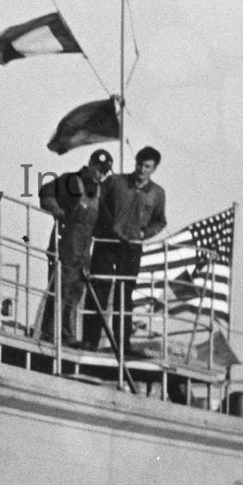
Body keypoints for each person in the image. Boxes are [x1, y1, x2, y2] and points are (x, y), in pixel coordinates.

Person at [91, 146, 169, 365]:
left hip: (132, 248)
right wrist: (103, 227)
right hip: (107, 243)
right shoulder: (116, 182)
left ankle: (122, 344)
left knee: (125, 295)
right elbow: (97, 199)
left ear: (154, 169)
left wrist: (145, 233)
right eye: (139, 164)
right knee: (99, 289)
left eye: (147, 167)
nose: (141, 170)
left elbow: (160, 220)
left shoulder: (157, 193)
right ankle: (90, 340)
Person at [36, 148, 110, 347]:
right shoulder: (72, 181)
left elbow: (103, 221)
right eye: (98, 169)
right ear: (91, 164)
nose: (100, 174)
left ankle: (67, 334)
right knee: (59, 287)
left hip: (83, 251)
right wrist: (57, 210)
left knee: (76, 292)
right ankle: (49, 332)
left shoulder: (99, 192)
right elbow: (46, 193)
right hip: (65, 244)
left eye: (104, 172)